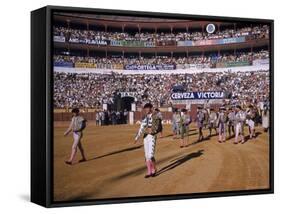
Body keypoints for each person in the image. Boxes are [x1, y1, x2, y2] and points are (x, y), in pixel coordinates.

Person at [134, 103, 161, 178]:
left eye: (147, 108)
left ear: (151, 108)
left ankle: (154, 169)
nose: (145, 109)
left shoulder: (156, 116)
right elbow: (141, 127)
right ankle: (149, 171)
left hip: (152, 137)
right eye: (145, 108)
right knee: (146, 156)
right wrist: (137, 137)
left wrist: (153, 131)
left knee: (151, 155)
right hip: (146, 137)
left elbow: (159, 127)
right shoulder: (145, 117)